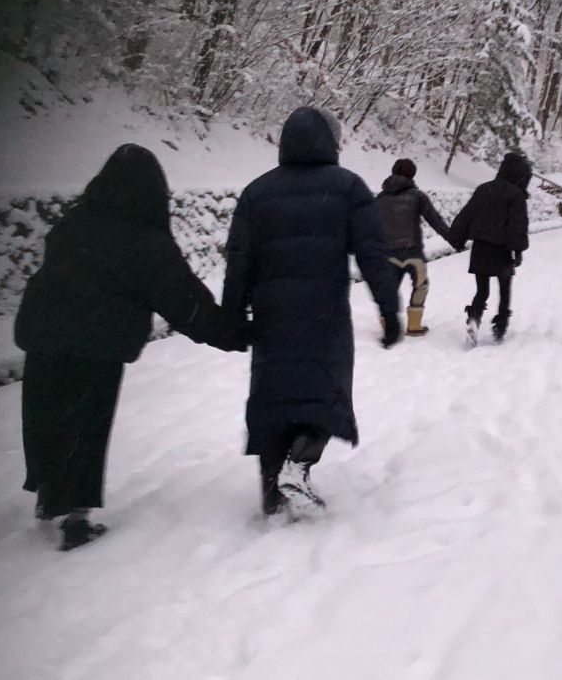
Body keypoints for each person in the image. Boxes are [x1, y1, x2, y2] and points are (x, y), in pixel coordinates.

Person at [14, 144, 247, 551]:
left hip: (44, 335)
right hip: (96, 341)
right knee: (89, 425)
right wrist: (239, 333)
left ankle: (48, 496)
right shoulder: (145, 240)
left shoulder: (73, 223)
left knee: (46, 416)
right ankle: (76, 519)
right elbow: (187, 305)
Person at [222, 107, 401, 518]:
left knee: (273, 401)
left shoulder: (256, 193)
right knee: (325, 394)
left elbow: (239, 261)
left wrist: (233, 317)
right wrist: (389, 309)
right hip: (325, 318)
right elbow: (373, 253)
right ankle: (299, 464)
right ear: (331, 143)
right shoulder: (348, 188)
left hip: (271, 319)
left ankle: (272, 493)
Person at [448, 152, 531, 345]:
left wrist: (457, 238)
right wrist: (518, 251)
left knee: (482, 290)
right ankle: (500, 326)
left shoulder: (483, 189)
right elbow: (517, 226)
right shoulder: (516, 195)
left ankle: (474, 319)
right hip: (503, 251)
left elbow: (466, 215)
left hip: (481, 248)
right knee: (504, 290)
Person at [374, 158, 459, 336]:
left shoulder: (380, 199)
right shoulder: (418, 196)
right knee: (420, 285)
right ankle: (414, 325)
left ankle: (389, 325)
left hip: (388, 254)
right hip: (413, 252)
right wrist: (454, 240)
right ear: (412, 175)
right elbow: (435, 221)